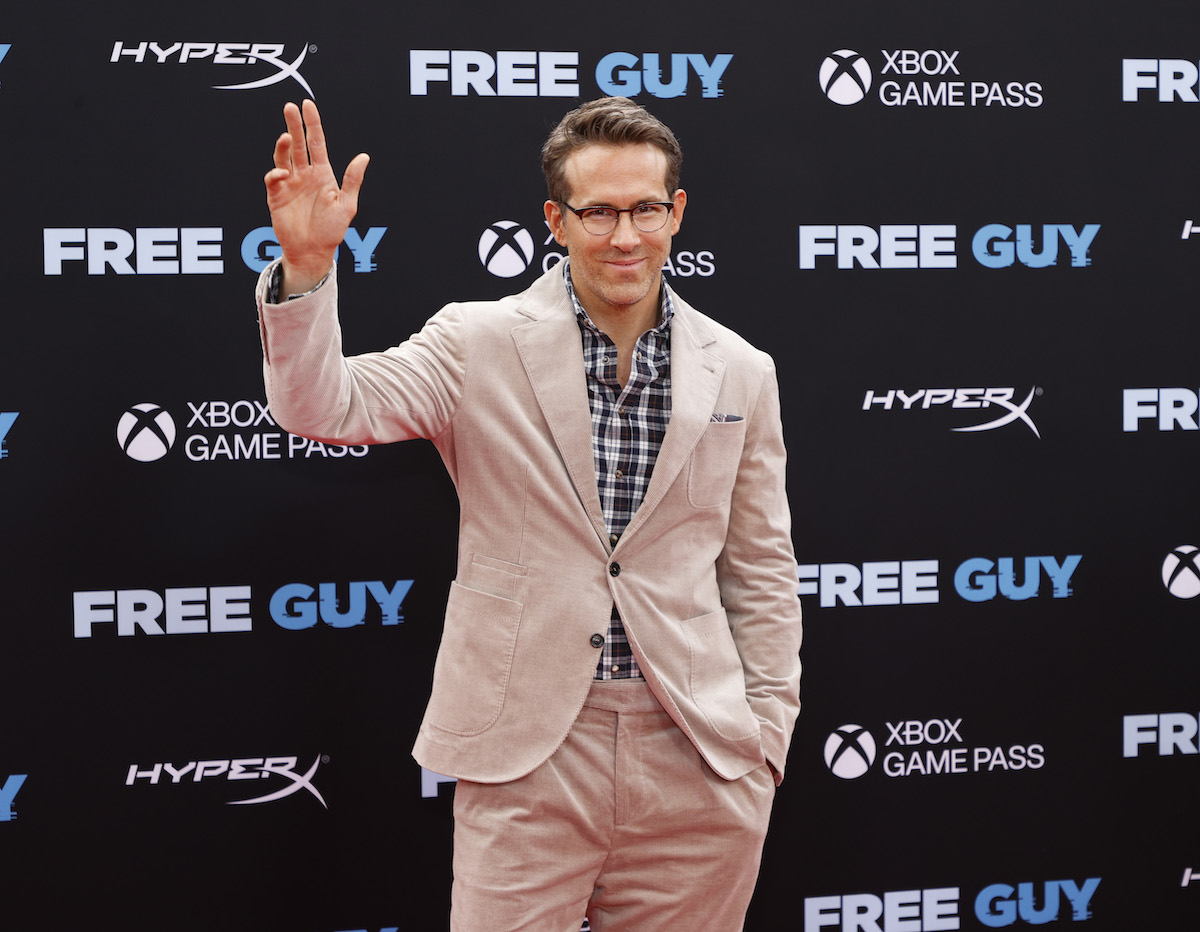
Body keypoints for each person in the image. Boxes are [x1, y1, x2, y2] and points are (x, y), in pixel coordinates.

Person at [256, 95, 803, 932]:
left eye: (646, 209)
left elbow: (760, 568)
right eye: (599, 212)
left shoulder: (742, 369)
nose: (626, 236)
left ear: (678, 212)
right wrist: (307, 268)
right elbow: (324, 407)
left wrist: (766, 739)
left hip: (699, 758)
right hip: (530, 756)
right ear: (555, 219)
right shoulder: (475, 342)